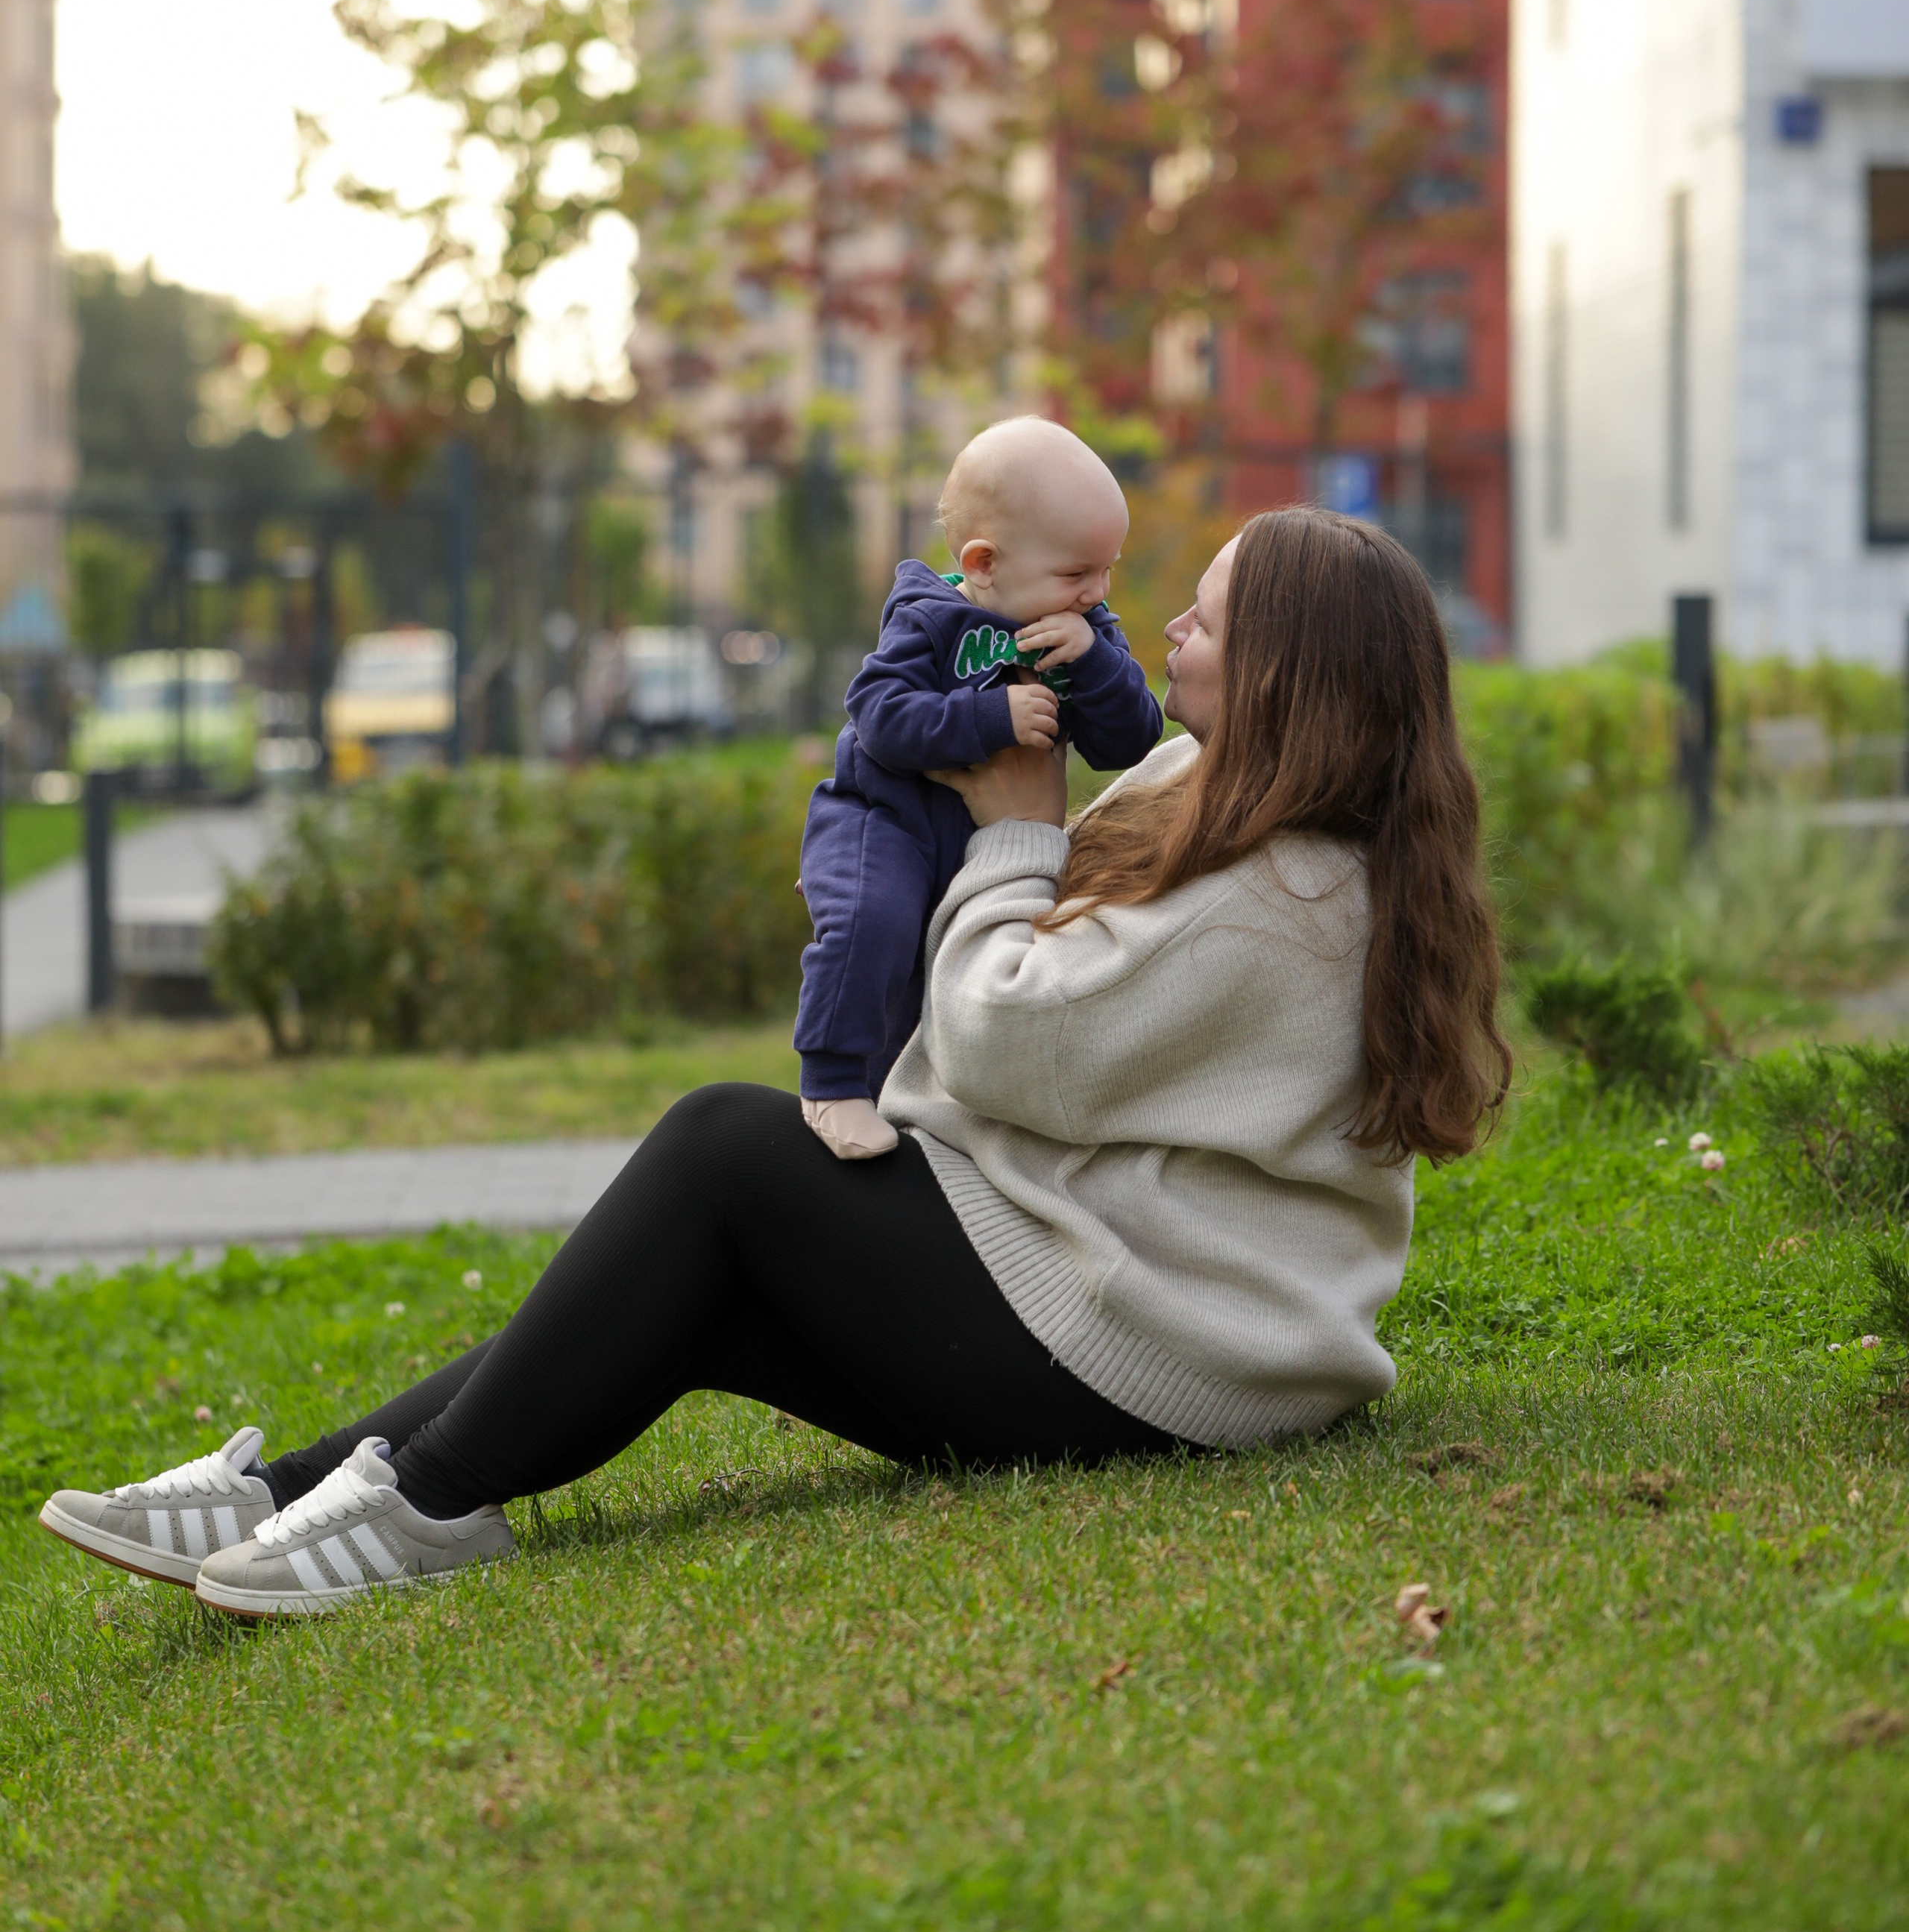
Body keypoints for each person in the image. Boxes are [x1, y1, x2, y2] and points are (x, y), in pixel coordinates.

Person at [39, 508, 1511, 1624]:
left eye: (1207, 618)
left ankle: (417, 1507)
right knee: (708, 1294)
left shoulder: (1288, 897)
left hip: (1169, 1363)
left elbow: (1007, 1042)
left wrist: (1013, 823)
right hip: (1119, 1300)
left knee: (726, 1150)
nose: (1168, 628)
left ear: (1285, 675)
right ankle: (290, 1493)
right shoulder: (1218, 788)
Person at [795, 416, 1162, 1160]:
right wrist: (988, 717)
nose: (1095, 592)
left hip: (979, 845)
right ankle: (833, 1084)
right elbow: (878, 717)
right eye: (1076, 574)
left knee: (956, 979)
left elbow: (1130, 739)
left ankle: (916, 1106)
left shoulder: (1087, 631)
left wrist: (1096, 663)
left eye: (1107, 570)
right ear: (985, 563)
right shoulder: (928, 620)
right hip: (881, 822)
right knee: (875, 924)